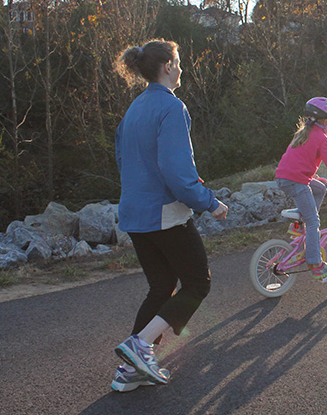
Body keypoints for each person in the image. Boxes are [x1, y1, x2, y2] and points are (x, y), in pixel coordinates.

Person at [111, 39, 228, 392]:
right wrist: (208, 201)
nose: (181, 68)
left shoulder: (135, 108)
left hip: (134, 213)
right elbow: (176, 171)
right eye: (178, 62)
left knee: (162, 286)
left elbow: (126, 161)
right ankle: (139, 345)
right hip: (165, 214)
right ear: (167, 66)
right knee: (198, 283)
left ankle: (130, 372)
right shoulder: (171, 107)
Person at [275, 97, 327, 283]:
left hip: (285, 178)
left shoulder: (303, 133)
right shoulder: (322, 138)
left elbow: (298, 160)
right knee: (313, 221)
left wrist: (311, 177)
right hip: (296, 181)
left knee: (320, 188)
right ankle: (316, 264)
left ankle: (300, 221)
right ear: (324, 121)